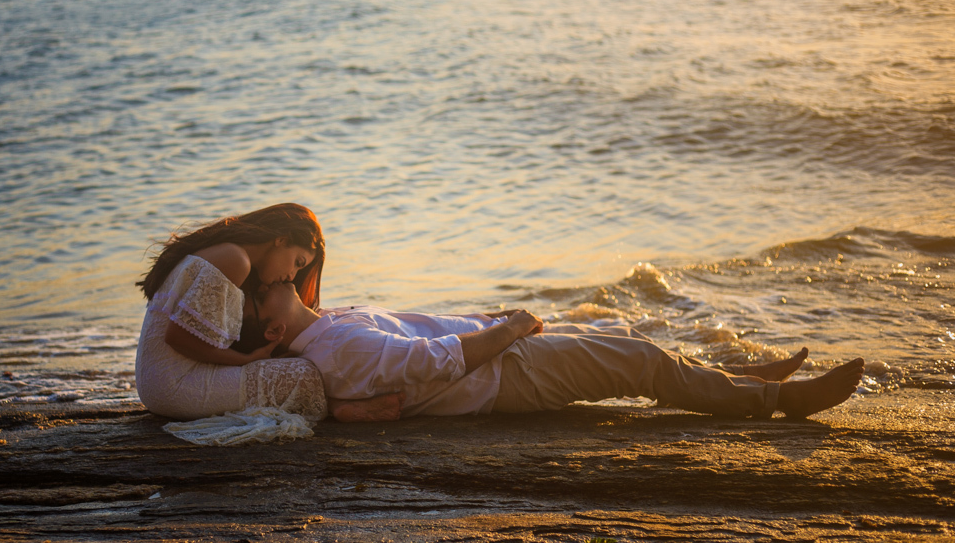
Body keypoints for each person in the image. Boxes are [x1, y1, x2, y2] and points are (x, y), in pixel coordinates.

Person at [238, 281, 865, 420]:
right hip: (500, 373)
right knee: (639, 361)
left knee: (631, 348)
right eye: (259, 296)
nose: (267, 285)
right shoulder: (331, 348)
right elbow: (431, 366)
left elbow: (422, 337)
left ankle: (739, 378)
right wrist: (506, 331)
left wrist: (494, 321)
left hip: (502, 354)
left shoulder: (330, 325)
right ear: (270, 332)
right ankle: (777, 400)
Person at [134, 204, 400, 422]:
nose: (292, 276)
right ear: (280, 240)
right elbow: (178, 339)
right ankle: (342, 407)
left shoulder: (227, 253)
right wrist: (245, 359)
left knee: (291, 364)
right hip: (174, 387)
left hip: (158, 382)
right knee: (304, 373)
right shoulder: (235, 259)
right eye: (297, 263)